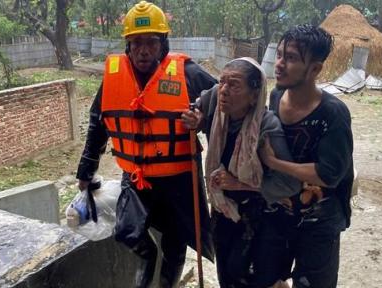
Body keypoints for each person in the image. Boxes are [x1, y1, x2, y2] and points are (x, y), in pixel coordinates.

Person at [75, 1, 217, 287]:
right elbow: (97, 122)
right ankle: (148, 259)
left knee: (176, 242)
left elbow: (223, 105)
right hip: (137, 177)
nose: (143, 50)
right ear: (127, 45)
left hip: (179, 179)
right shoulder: (115, 77)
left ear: (163, 43)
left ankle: (165, 284)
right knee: (127, 231)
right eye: (136, 42)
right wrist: (86, 169)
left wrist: (201, 119)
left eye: (150, 42)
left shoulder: (187, 73)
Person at [185, 57, 301, 288]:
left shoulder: (267, 127)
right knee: (227, 275)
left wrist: (240, 184)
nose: (224, 91)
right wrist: (196, 116)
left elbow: (290, 184)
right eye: (222, 82)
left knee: (254, 278)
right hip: (224, 211)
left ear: (254, 95)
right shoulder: (217, 109)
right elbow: (198, 103)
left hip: (260, 216)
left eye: (234, 85)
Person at [258, 24, 354, 288]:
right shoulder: (276, 96)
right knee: (266, 279)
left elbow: (329, 173)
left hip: (319, 219)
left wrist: (275, 163)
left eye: (290, 58)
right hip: (280, 212)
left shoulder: (333, 114)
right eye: (279, 55)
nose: (279, 64)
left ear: (315, 69)